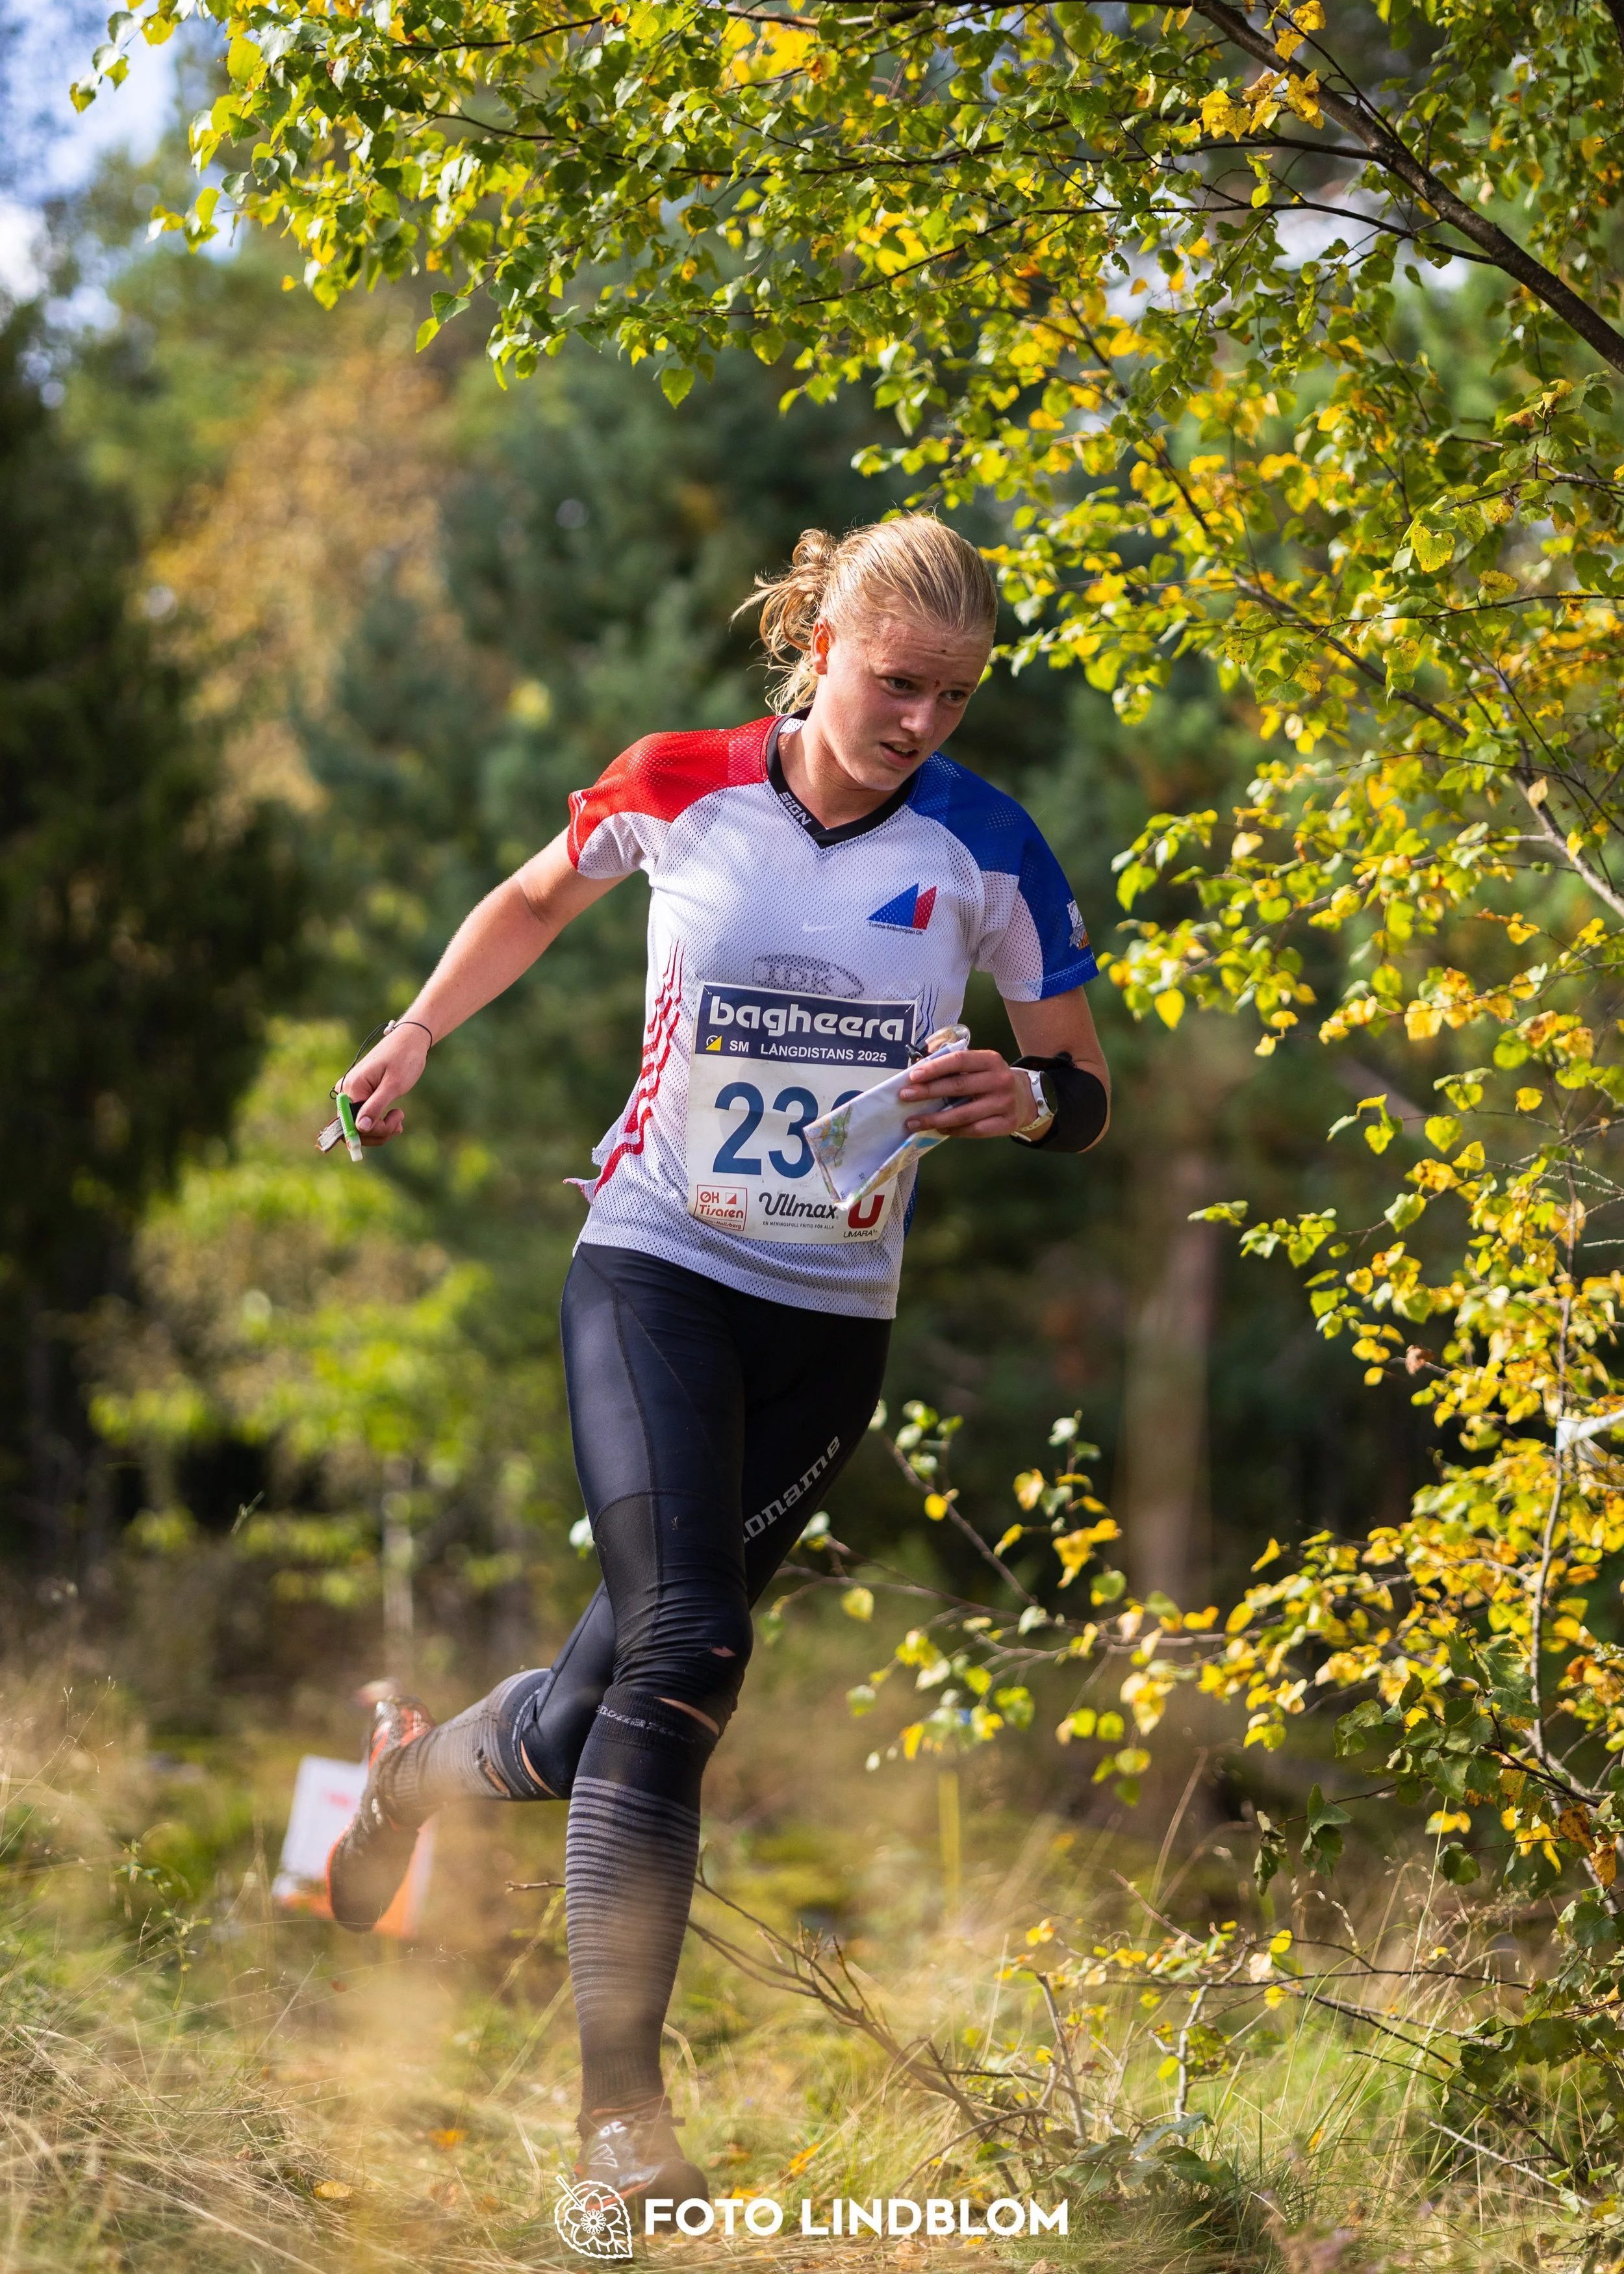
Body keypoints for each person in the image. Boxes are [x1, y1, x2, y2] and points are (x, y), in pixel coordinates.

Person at [322, 515, 1110, 2204]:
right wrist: (414, 1031)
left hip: (829, 1327)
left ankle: (401, 1781)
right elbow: (539, 892)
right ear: (818, 640)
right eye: (896, 681)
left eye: (954, 697)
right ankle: (622, 2129)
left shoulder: (989, 848)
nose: (920, 721)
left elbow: (1074, 1077)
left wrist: (1026, 1104)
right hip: (655, 1264)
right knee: (688, 1644)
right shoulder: (681, 780)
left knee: (605, 1702)